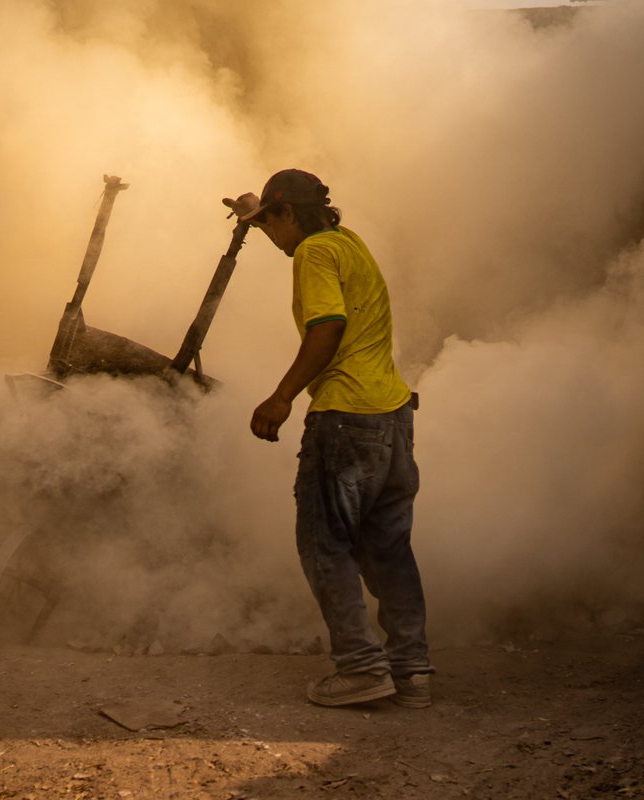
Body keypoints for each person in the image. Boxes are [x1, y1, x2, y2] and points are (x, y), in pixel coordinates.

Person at [232, 169, 434, 707]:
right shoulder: (348, 242)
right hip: (392, 416)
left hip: (344, 419)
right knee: (388, 549)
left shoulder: (313, 255)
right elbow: (291, 232)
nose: (273, 236)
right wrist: (256, 214)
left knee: (326, 546)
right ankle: (411, 672)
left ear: (290, 215)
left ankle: (362, 669)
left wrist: (282, 397)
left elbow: (327, 327)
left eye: (273, 222)